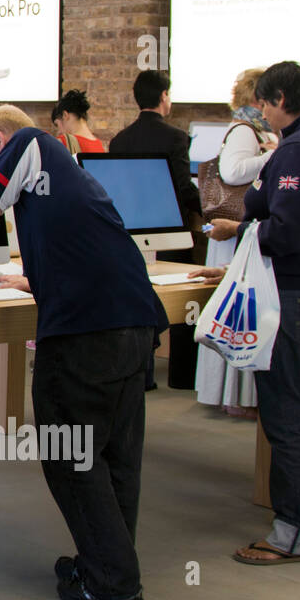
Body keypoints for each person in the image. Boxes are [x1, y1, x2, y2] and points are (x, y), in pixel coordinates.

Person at [0, 104, 168, 600]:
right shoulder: (65, 166)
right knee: (114, 457)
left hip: (85, 334)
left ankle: (115, 586)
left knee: (70, 456)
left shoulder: (24, 144)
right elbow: (88, 245)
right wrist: (34, 278)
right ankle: (105, 565)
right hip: (133, 322)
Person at [206, 62, 300, 565]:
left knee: (286, 413)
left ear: (283, 97)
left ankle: (291, 533)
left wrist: (239, 233)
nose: (261, 114)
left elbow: (284, 232)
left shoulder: (297, 149)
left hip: (287, 292)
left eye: (265, 105)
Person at [110, 70, 202, 390]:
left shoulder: (120, 140)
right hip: (168, 227)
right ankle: (182, 377)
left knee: (137, 299)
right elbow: (182, 186)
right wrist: (209, 209)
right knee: (187, 299)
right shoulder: (176, 138)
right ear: (164, 96)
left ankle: (142, 375)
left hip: (128, 229)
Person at [194, 67, 278, 417]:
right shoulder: (246, 130)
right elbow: (232, 172)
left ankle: (235, 395)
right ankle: (234, 398)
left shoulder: (250, 129)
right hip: (234, 230)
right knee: (237, 310)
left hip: (239, 231)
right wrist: (274, 155)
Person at [50, 89, 105, 153]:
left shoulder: (63, 142)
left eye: (57, 124)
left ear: (65, 115)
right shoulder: (98, 145)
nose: (59, 131)